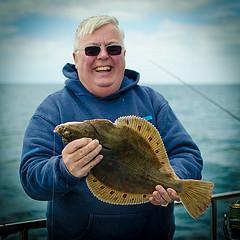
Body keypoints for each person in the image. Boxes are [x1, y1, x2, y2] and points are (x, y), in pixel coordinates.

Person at [20, 15, 203, 240]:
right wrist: (63, 169)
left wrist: (174, 179)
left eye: (113, 48)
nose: (103, 55)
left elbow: (188, 154)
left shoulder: (152, 101)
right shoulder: (53, 109)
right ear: (76, 58)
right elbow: (30, 178)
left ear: (123, 56)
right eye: (91, 50)